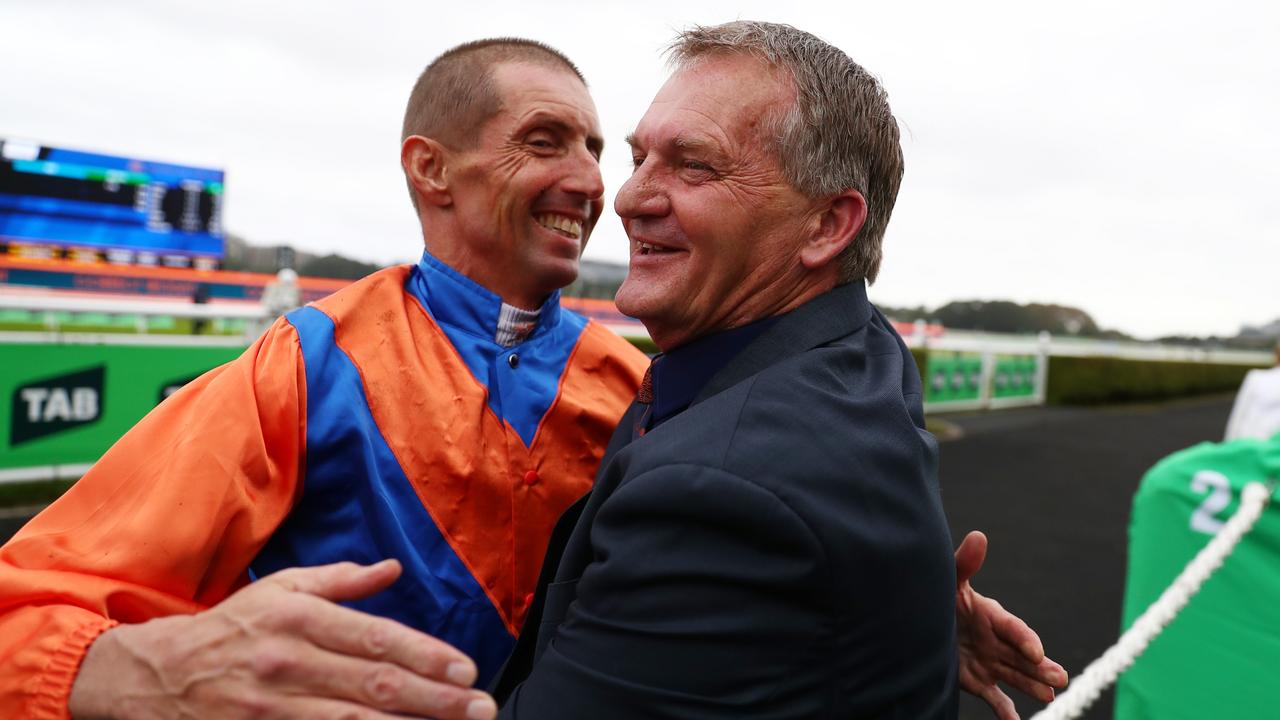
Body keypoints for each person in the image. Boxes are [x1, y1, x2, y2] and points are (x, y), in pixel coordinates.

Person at [0, 36, 1060, 720]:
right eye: (546, 141)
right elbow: (24, 611)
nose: (597, 184)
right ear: (430, 169)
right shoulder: (297, 365)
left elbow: (756, 537)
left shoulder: (633, 378)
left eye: (601, 147)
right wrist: (132, 672)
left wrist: (889, 598)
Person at [492, 22, 1063, 718]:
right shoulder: (855, 344)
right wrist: (883, 613)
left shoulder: (714, 494)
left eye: (694, 165)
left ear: (828, 227)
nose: (629, 197)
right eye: (640, 157)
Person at [1223, 340, 1280, 442]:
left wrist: (1228, 444)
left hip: (1248, 444)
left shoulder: (1256, 377)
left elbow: (1238, 415)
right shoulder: (1256, 377)